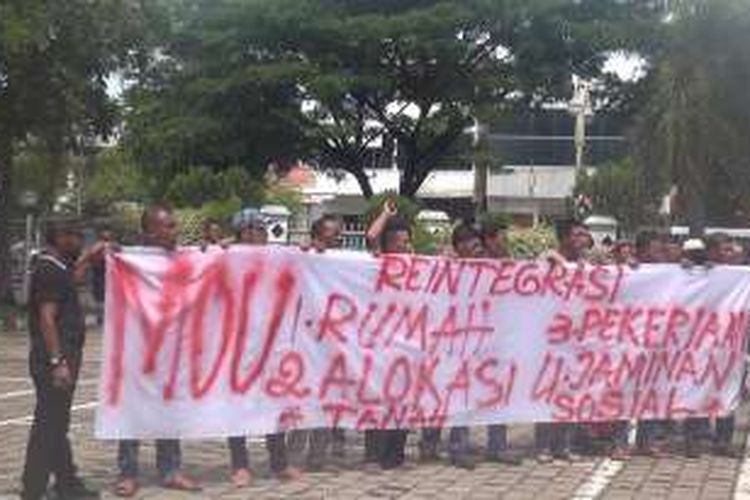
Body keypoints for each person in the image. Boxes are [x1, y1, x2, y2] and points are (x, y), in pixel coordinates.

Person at [114, 204, 200, 497]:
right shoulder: (128, 259)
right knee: (132, 412)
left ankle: (171, 470)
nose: (175, 231)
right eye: (169, 226)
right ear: (150, 231)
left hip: (173, 353)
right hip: (137, 351)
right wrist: (109, 253)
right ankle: (127, 473)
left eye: (175, 225)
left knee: (170, 412)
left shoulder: (185, 258)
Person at [20, 221, 104, 500]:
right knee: (48, 426)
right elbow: (47, 317)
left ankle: (67, 483)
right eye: (76, 236)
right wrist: (58, 361)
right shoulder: (48, 270)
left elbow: (73, 278)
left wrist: (90, 258)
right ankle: (32, 489)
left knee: (56, 423)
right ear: (60, 237)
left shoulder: (57, 267)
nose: (80, 241)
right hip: (53, 360)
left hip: (62, 357)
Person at [225, 212, 302, 484]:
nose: (260, 233)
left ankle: (279, 463)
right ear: (241, 233)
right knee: (238, 407)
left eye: (262, 228)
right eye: (253, 228)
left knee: (275, 404)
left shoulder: (277, 258)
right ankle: (239, 465)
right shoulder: (227, 258)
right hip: (238, 347)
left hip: (272, 346)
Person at [535, 219, 591, 463]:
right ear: (564, 237)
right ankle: (544, 446)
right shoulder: (547, 259)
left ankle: (564, 445)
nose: (582, 239)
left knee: (571, 394)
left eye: (584, 235)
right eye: (577, 234)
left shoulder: (584, 266)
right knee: (547, 394)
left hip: (576, 339)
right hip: (550, 339)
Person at [683, 233, 739, 458]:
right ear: (712, 251)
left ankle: (723, 440)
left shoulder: (739, 276)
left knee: (728, 391)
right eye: (725, 249)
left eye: (730, 249)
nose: (730, 254)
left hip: (729, 345)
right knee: (697, 389)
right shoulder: (694, 271)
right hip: (698, 344)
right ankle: (695, 438)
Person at [478, 219, 523, 466]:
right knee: (468, 394)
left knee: (500, 394)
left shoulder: (508, 265)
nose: (505, 242)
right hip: (474, 339)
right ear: (489, 239)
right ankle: (458, 445)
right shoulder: (473, 265)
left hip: (501, 339)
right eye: (501, 238)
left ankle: (497, 445)